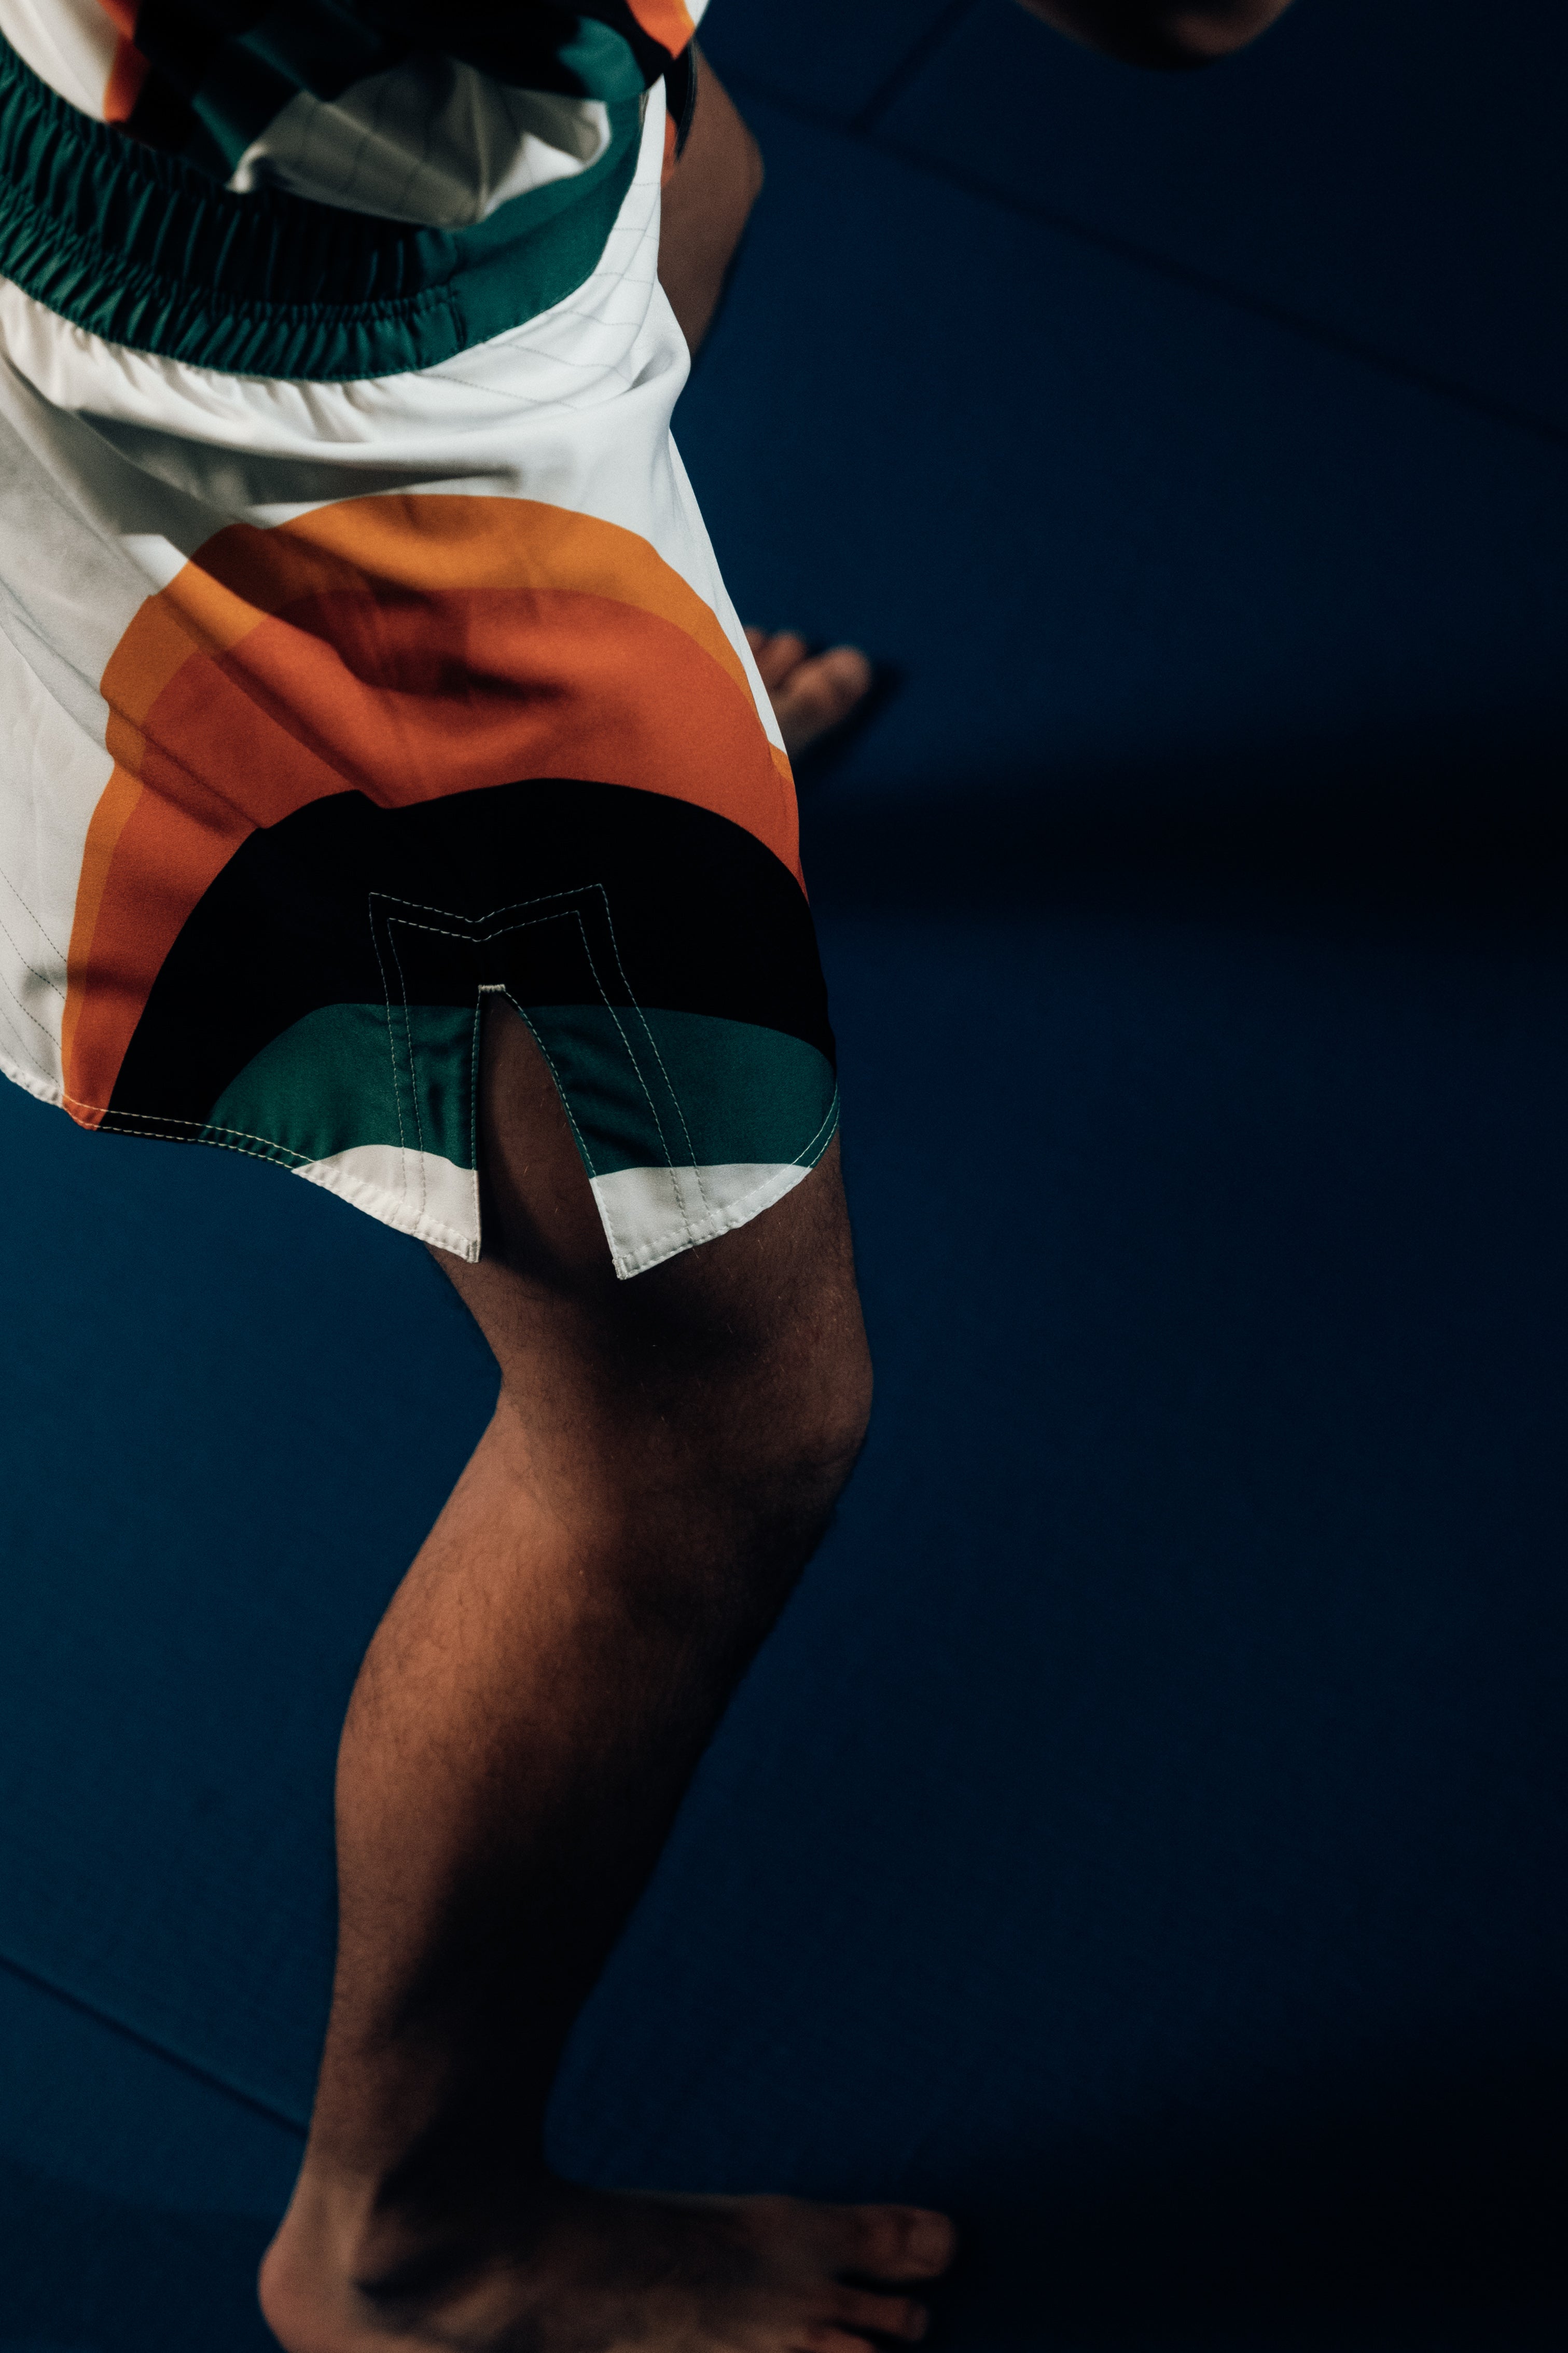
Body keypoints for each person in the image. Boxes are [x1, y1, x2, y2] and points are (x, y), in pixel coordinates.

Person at [0, 1, 1291, 2344]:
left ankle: (622, 654)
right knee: (712, 1433)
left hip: (316, 140)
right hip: (291, 369)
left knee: (710, 174)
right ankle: (407, 2242)